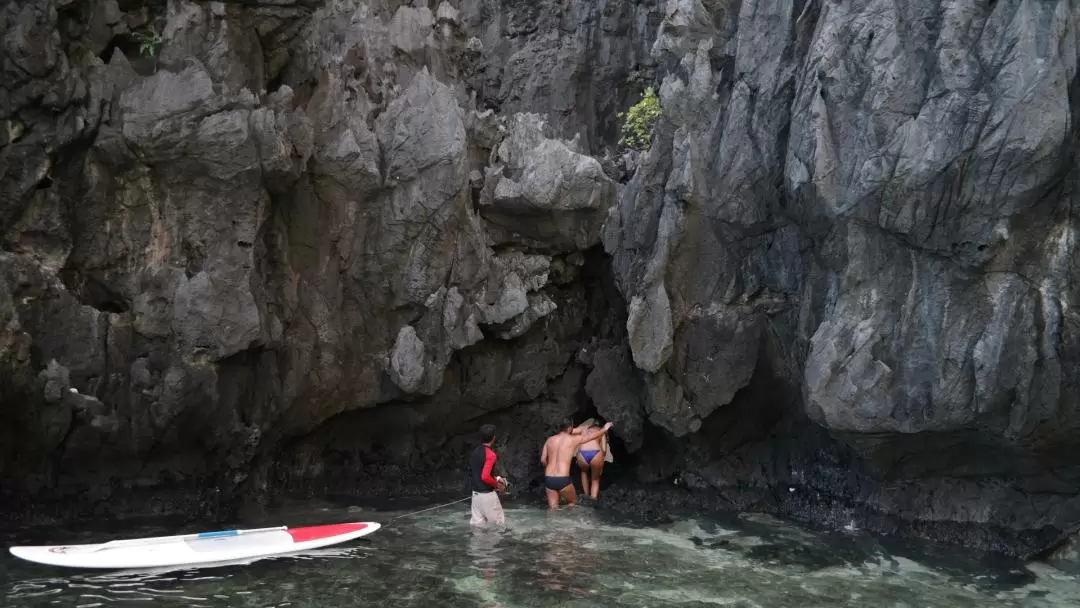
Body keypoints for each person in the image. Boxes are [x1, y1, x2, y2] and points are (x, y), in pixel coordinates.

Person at [540, 419, 613, 509]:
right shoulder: (573, 439)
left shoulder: (549, 440)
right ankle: (577, 517)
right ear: (570, 428)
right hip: (563, 480)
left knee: (553, 509)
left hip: (549, 479)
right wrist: (605, 429)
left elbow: (543, 460)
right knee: (572, 503)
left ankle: (554, 522)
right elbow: (592, 436)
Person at [469, 423, 508, 526]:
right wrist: (497, 484)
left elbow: (478, 473)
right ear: (493, 438)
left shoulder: (474, 452)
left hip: (475, 495)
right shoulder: (491, 455)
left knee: (478, 527)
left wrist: (496, 478)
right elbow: (485, 476)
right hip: (487, 496)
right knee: (498, 526)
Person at [575, 420, 609, 500]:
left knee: (584, 472)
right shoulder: (601, 431)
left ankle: (586, 495)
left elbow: (571, 432)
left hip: (582, 453)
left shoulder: (584, 429)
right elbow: (604, 450)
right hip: (596, 453)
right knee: (595, 479)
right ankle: (593, 500)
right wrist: (601, 463)